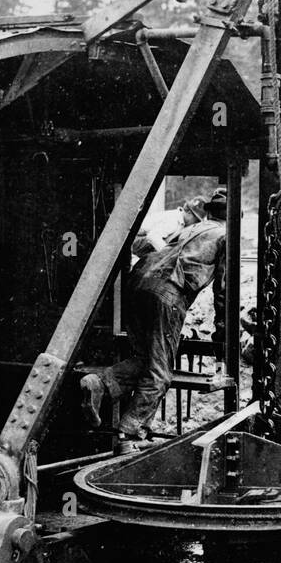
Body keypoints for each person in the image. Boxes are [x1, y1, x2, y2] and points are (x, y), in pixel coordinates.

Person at [81, 187, 229, 446]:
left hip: (137, 284)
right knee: (160, 373)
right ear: (233, 216)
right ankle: (130, 433)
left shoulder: (189, 228)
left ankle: (100, 384)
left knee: (144, 358)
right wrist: (222, 335)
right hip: (166, 294)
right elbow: (223, 293)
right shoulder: (225, 236)